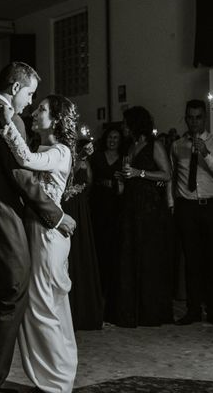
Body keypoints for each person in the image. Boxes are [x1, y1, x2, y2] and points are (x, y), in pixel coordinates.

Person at [0, 62, 76, 393]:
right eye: (29, 94)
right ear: (14, 89)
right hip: (2, 217)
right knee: (12, 294)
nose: (29, 102)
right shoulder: (10, 120)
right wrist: (55, 215)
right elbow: (20, 174)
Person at [0, 94, 79, 391]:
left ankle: (55, 382)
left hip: (47, 235)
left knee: (44, 307)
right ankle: (57, 374)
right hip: (36, 231)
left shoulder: (60, 151)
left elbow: (26, 161)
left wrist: (8, 124)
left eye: (41, 109)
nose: (33, 111)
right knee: (46, 306)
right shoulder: (46, 147)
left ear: (56, 119)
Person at [171, 99, 213, 328]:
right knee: (192, 261)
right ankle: (193, 310)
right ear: (185, 118)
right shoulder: (177, 145)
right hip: (187, 207)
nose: (194, 121)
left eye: (198, 117)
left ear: (204, 119)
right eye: (190, 117)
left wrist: (206, 154)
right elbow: (175, 176)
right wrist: (174, 204)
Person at [115, 106, 173, 327]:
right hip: (130, 206)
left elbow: (167, 174)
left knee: (149, 257)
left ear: (135, 123)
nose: (123, 126)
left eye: (126, 123)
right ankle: (132, 311)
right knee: (130, 255)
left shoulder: (154, 145)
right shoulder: (130, 146)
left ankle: (151, 311)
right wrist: (122, 177)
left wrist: (140, 173)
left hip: (149, 208)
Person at [62, 138, 104, 331]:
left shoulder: (84, 162)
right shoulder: (64, 157)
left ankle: (84, 309)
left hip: (80, 208)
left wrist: (85, 164)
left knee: (81, 253)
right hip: (66, 207)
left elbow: (89, 184)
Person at [89, 126, 123, 321]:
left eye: (116, 137)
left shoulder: (124, 158)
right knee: (99, 248)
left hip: (116, 208)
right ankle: (98, 291)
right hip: (98, 206)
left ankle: (111, 292)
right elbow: (90, 180)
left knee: (113, 250)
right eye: (110, 136)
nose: (112, 140)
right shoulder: (97, 157)